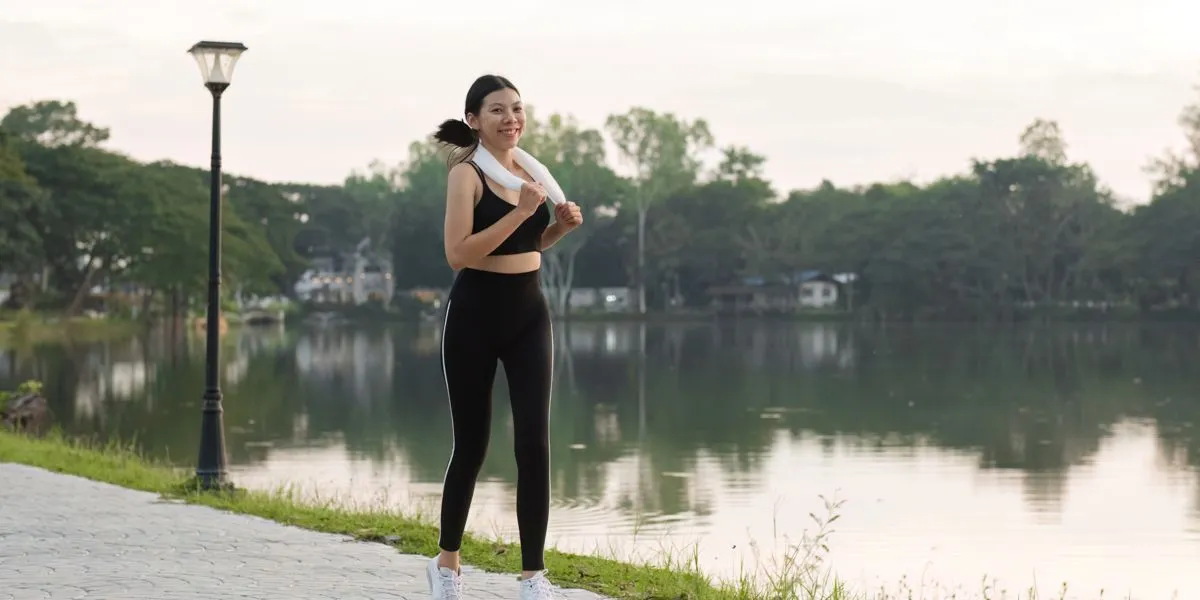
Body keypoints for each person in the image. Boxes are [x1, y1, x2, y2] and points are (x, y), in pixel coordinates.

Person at [426, 74, 584, 600]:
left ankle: (533, 576)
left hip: (528, 316)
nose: (511, 118)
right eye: (497, 110)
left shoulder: (529, 173)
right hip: (473, 317)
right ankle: (446, 565)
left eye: (517, 108)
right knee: (471, 445)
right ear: (474, 119)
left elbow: (528, 242)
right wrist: (519, 209)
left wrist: (556, 228)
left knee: (534, 444)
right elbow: (459, 254)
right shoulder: (466, 174)